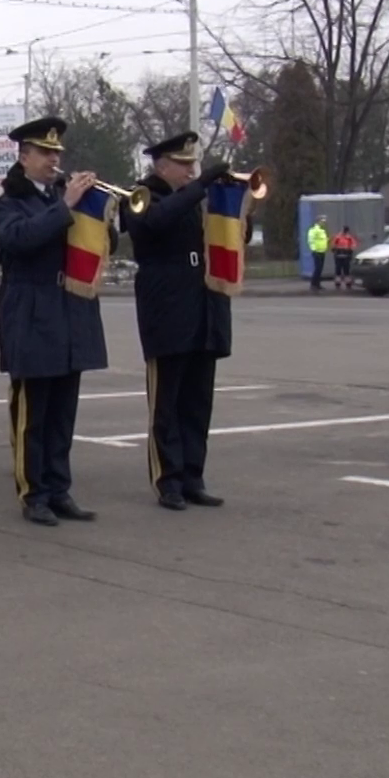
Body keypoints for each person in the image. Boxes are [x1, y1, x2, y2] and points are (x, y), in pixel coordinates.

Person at [0, 116, 108, 526]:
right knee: (34, 412)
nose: (53, 160)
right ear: (24, 156)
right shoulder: (3, 200)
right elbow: (18, 239)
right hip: (31, 310)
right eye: (45, 153)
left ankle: (59, 488)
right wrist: (65, 205)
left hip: (70, 309)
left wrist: (98, 210)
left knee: (63, 410)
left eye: (57, 153)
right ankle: (34, 493)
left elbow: (102, 244)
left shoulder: (64, 196)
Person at [120, 132, 232, 510]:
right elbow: (155, 224)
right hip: (165, 307)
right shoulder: (140, 196)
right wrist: (200, 187)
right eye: (184, 164)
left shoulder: (196, 199)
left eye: (194, 164)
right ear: (162, 165)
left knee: (198, 400)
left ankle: (192, 476)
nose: (191, 169)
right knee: (166, 401)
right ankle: (167, 479)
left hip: (202, 305)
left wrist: (234, 206)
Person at [329, 225, 358, 290]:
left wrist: (350, 250)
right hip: (339, 255)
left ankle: (347, 283)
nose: (344, 232)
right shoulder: (338, 237)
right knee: (338, 269)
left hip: (346, 255)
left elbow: (353, 245)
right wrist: (335, 249)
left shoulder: (349, 237)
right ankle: (338, 283)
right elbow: (333, 245)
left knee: (346, 270)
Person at [306, 216, 329, 291]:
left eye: (324, 222)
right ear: (318, 221)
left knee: (320, 269)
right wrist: (314, 250)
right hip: (317, 252)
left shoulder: (322, 230)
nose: (324, 223)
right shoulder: (314, 230)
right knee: (317, 268)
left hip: (322, 251)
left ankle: (318, 284)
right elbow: (311, 240)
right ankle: (313, 284)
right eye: (322, 221)